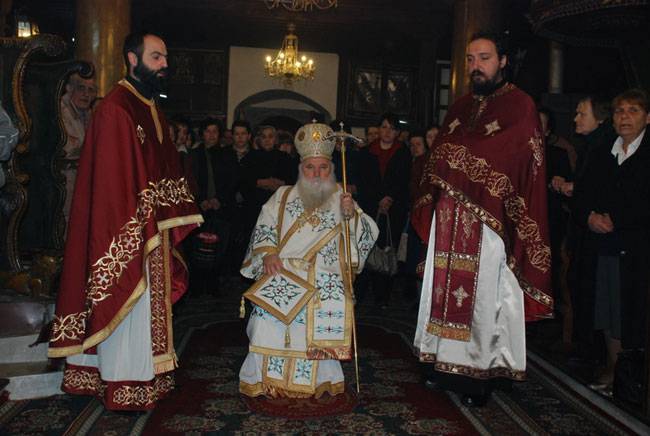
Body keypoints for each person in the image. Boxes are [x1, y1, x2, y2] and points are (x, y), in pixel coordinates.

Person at [48, 32, 203, 410]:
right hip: (125, 228)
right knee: (128, 300)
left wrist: (163, 211)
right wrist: (145, 216)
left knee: (147, 306)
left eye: (165, 57)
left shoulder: (149, 106)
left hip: (152, 226)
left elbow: (163, 168)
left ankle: (146, 377)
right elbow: (113, 183)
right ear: (133, 60)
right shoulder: (117, 107)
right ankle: (124, 382)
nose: (165, 64)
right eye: (156, 57)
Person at [412, 31, 553, 407]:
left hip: (491, 219)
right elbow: (441, 151)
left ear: (503, 61)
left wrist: (461, 161)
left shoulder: (520, 106)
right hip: (449, 215)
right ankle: (442, 363)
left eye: (484, 58)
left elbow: (517, 161)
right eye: (471, 59)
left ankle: (481, 373)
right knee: (443, 289)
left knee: (484, 294)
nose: (476, 66)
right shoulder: (459, 107)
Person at [239, 122, 378, 398]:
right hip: (283, 270)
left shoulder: (342, 198)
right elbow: (264, 226)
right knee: (266, 321)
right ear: (301, 168)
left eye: (323, 167)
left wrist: (351, 216)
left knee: (328, 301)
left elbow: (367, 234)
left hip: (325, 273)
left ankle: (319, 380)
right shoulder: (282, 195)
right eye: (310, 167)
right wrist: (269, 253)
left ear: (331, 169)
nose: (316, 174)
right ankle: (267, 379)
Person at [573, 89, 650, 397]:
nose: (625, 117)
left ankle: (632, 374)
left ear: (647, 117)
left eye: (633, 111)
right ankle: (613, 366)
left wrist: (618, 218)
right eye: (620, 111)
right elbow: (581, 194)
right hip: (603, 245)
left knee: (632, 310)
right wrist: (590, 216)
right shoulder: (601, 152)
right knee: (606, 307)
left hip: (637, 248)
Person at [60, 73, 98, 227]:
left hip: (81, 179)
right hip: (64, 181)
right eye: (81, 88)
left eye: (91, 90)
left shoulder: (88, 112)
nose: (86, 94)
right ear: (70, 89)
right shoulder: (61, 111)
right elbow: (67, 148)